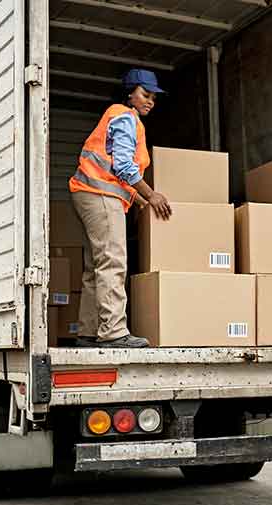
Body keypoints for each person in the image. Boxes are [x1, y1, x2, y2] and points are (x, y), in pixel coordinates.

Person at [68, 68, 173, 349]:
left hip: (89, 194)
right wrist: (151, 195)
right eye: (145, 95)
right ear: (130, 94)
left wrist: (138, 200)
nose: (150, 101)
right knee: (113, 262)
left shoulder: (118, 116)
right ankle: (113, 332)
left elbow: (118, 170)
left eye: (153, 97)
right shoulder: (126, 118)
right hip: (100, 194)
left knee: (95, 267)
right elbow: (124, 166)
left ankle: (89, 332)